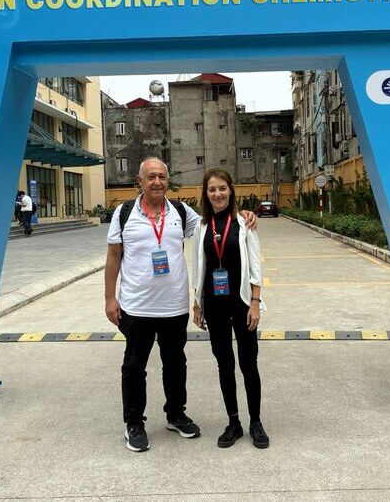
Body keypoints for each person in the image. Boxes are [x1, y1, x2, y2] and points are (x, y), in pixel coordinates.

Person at [104, 157, 257, 453]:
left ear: (168, 180)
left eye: (162, 176)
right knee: (134, 366)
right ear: (140, 181)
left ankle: (175, 414)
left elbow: (214, 222)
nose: (157, 182)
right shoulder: (123, 214)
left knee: (175, 364)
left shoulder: (180, 212)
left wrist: (245, 215)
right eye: (151, 177)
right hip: (136, 307)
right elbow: (113, 257)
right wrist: (110, 298)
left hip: (174, 307)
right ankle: (134, 422)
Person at [192, 169, 269, 449]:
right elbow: (198, 266)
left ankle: (256, 422)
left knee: (249, 364)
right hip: (214, 306)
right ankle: (234, 422)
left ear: (231, 190)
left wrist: (256, 303)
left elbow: (256, 267)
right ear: (206, 194)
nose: (218, 194)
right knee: (224, 364)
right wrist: (197, 303)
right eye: (212, 189)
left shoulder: (244, 223)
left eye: (222, 188)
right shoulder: (201, 226)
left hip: (242, 304)